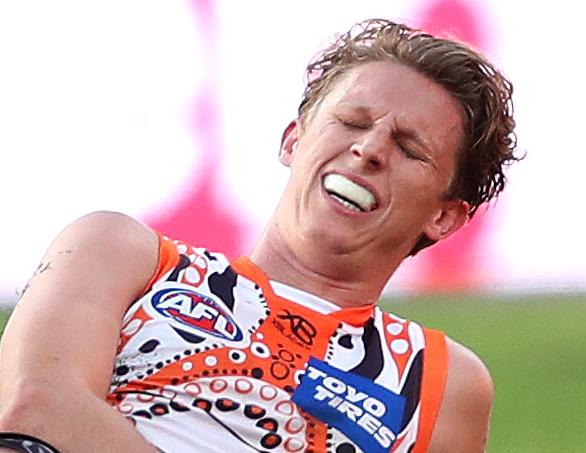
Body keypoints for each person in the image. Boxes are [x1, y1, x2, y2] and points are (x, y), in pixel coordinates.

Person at [0, 19, 519, 453]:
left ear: (446, 217)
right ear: (293, 140)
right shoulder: (120, 253)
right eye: (352, 121)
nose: (370, 149)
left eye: (408, 147)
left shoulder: (441, 380)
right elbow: (35, 410)